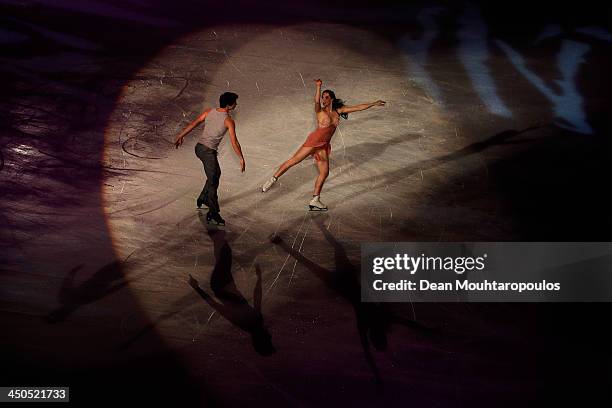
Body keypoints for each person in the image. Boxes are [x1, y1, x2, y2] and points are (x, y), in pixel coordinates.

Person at [261, 79, 385, 210]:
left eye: (326, 97)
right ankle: (272, 179)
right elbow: (315, 102)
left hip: (323, 146)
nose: (323, 99)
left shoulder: (338, 111)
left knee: (324, 172)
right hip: (313, 142)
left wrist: (373, 103)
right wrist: (318, 87)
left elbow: (358, 108)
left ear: (331, 99)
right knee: (294, 161)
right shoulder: (320, 111)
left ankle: (315, 199)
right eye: (322, 97)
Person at [175, 92, 245, 225]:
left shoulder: (209, 112)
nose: (236, 104)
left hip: (200, 148)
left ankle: (203, 197)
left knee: (215, 174)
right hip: (207, 151)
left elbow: (193, 124)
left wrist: (180, 135)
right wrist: (241, 158)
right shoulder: (228, 121)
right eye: (235, 102)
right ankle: (213, 212)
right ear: (229, 105)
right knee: (213, 180)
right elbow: (234, 141)